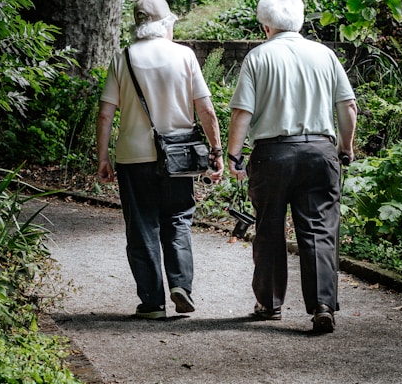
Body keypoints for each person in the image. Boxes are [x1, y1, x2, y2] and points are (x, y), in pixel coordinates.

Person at [227, 0, 357, 333]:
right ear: (300, 22)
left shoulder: (258, 57)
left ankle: (270, 304)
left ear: (265, 26)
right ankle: (322, 305)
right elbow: (348, 106)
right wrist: (346, 147)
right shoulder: (325, 55)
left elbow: (242, 112)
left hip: (272, 154)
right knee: (319, 231)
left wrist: (233, 154)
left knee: (269, 227)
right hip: (319, 151)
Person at [96, 0, 223, 320]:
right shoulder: (184, 55)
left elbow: (105, 114)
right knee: (178, 218)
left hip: (133, 157)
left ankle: (152, 302)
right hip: (179, 156)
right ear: (165, 23)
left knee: (141, 226)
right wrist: (216, 151)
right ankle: (181, 285)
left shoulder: (123, 57)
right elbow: (206, 110)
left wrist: (103, 157)